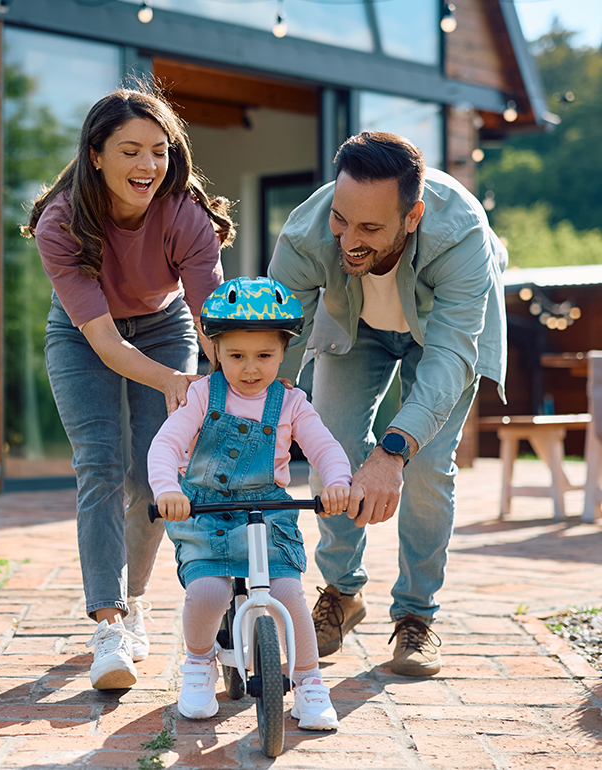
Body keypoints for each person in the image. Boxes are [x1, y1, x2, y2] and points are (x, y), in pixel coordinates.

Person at [268, 131, 507, 676]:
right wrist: (249, 421)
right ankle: (342, 593)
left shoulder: (461, 234)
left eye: (370, 228)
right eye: (341, 220)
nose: (348, 239)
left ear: (413, 216)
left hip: (443, 336)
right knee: (333, 444)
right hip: (357, 329)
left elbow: (449, 356)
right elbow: (278, 340)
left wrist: (393, 452)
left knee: (424, 466)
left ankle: (416, 617)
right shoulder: (309, 234)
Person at [24, 82, 234, 690]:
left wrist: (226, 377)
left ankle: (135, 599)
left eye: (159, 151)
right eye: (130, 151)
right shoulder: (61, 222)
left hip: (166, 324)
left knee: (153, 473)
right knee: (101, 465)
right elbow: (107, 345)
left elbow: (208, 318)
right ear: (96, 154)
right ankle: (109, 626)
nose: (148, 166)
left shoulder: (185, 214)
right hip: (84, 333)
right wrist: (175, 381)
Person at [148, 276, 351, 728]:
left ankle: (309, 681)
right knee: (209, 590)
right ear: (216, 350)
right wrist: (168, 490)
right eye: (236, 355)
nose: (250, 368)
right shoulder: (202, 395)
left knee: (288, 593)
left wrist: (337, 481)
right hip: (204, 512)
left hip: (267, 514)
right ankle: (199, 663)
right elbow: (166, 446)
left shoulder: (292, 403)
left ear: (283, 352)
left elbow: (325, 447)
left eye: (264, 355)